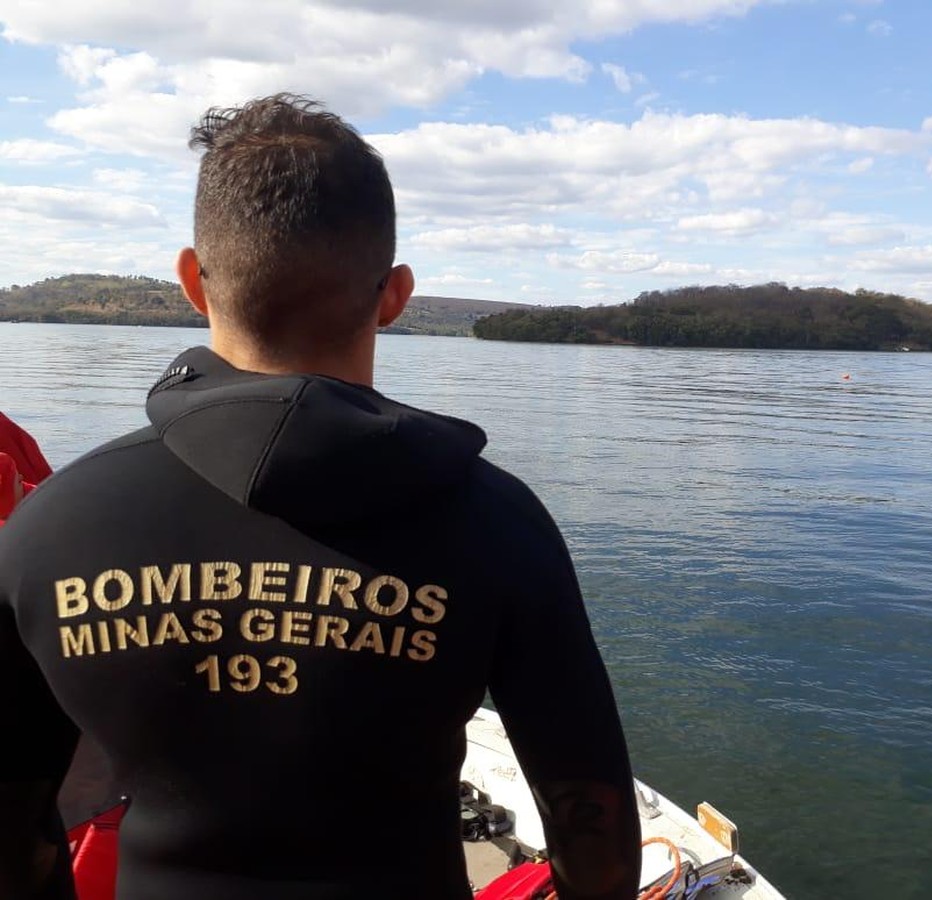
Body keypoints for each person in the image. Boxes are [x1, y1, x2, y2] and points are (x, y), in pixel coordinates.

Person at [0, 94, 640, 900]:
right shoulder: (499, 524)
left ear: (193, 280)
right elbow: (596, 818)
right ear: (396, 294)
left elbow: (13, 828)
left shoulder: (49, 528)